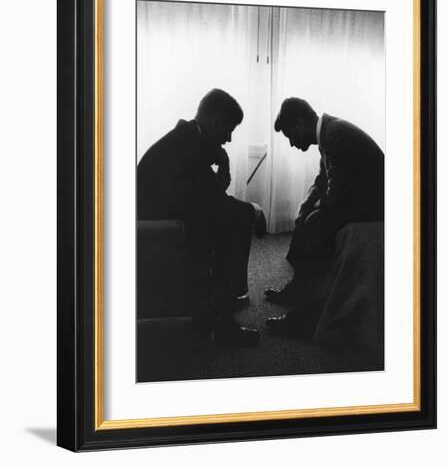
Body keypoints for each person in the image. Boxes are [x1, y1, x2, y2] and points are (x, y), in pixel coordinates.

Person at [138, 88, 266, 346]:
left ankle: (214, 307)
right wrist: (255, 210)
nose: (228, 139)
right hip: (159, 227)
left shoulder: (186, 138)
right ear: (216, 121)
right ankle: (222, 320)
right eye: (228, 130)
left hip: (164, 216)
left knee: (231, 217)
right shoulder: (190, 150)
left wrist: (222, 165)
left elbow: (200, 197)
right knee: (238, 221)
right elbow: (212, 203)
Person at [265, 97, 384, 336]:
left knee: (315, 223)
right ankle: (298, 289)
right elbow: (323, 179)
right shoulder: (329, 133)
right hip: (357, 196)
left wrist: (313, 209)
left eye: (290, 136)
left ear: (300, 123)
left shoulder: (337, 136)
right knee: (306, 215)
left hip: (374, 204)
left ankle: (304, 319)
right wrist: (306, 204)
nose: (291, 144)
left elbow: (336, 195)